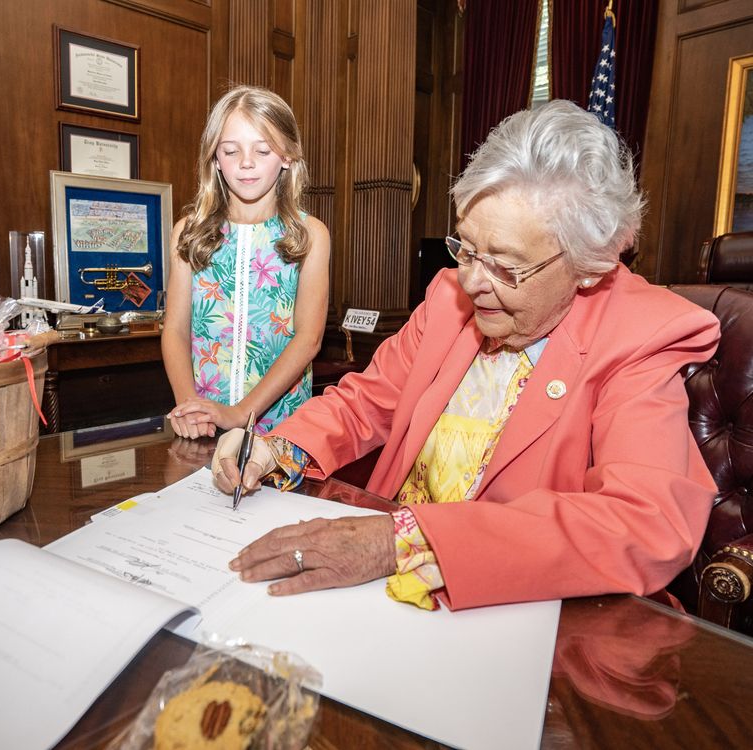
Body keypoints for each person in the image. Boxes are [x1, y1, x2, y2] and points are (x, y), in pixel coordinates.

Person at [211, 99, 722, 612]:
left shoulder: (640, 334)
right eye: (468, 249)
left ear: (591, 265)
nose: (472, 282)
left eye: (505, 266)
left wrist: (401, 543)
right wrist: (280, 448)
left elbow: (646, 522)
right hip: (379, 594)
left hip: (519, 609)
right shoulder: (448, 297)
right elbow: (365, 402)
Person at [161, 86, 330, 440]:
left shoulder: (310, 235)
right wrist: (191, 407)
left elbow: (309, 338)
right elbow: (175, 329)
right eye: (231, 150)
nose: (246, 162)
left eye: (262, 149)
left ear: (287, 155)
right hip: (204, 426)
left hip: (282, 431)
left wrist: (240, 413)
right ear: (215, 159)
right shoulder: (188, 233)